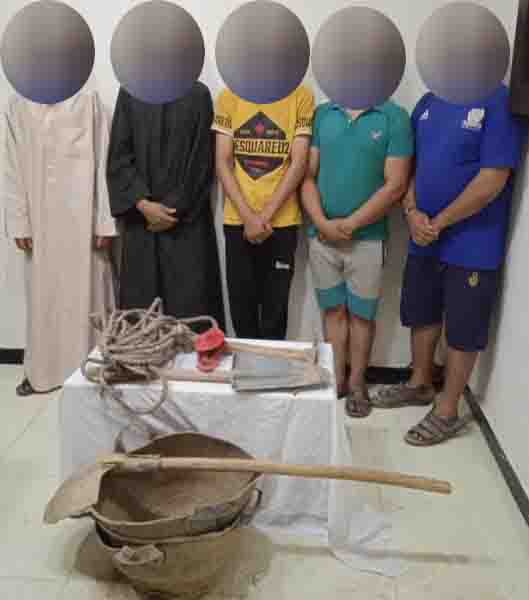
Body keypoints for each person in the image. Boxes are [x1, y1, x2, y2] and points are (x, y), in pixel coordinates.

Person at [373, 84, 526, 445]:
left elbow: (492, 179)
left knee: (463, 325)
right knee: (421, 311)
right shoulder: (430, 100)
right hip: (423, 234)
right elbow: (411, 167)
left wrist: (438, 222)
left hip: (474, 242)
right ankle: (420, 383)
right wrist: (412, 212)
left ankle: (448, 410)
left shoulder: (499, 101)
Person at [301, 100, 414, 417]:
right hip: (322, 237)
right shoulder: (324, 113)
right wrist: (321, 222)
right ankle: (335, 380)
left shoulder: (394, 117)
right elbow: (307, 176)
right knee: (333, 311)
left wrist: (351, 225)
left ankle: (357, 384)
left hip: (368, 240)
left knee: (362, 315)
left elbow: (396, 185)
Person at [3, 90, 117, 396]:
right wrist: (19, 220)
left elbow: (104, 161)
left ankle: (92, 371)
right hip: (39, 220)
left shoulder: (88, 99)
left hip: (84, 220)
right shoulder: (18, 103)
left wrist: (105, 221)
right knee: (44, 297)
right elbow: (11, 167)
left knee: (88, 295)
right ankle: (41, 372)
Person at [106, 83, 224, 328]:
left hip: (187, 226)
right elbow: (118, 157)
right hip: (142, 224)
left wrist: (171, 209)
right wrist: (142, 204)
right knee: (141, 319)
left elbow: (203, 161)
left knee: (192, 316)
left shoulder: (198, 94)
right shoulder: (131, 91)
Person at [213, 85, 314, 340]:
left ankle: (273, 366)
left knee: (275, 313)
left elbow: (299, 162)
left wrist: (265, 215)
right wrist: (248, 217)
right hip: (237, 221)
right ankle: (246, 365)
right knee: (241, 309)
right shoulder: (229, 95)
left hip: (282, 223)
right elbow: (222, 161)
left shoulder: (300, 95)